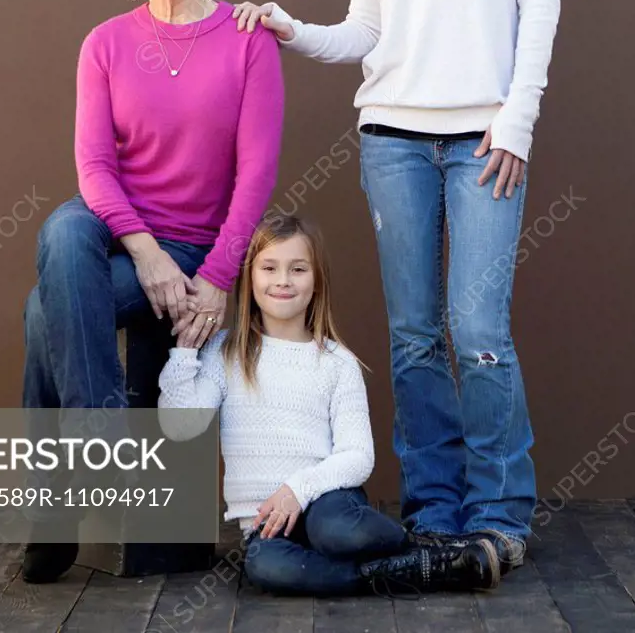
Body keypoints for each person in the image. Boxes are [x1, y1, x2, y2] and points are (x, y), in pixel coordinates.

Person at [232, 0, 561, 578]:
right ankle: (435, 511)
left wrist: (517, 116)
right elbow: (367, 28)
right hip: (393, 135)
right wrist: (292, 28)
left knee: (478, 329)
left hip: (486, 134)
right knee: (415, 335)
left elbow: (543, 6)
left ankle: (499, 513)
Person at [19, 0, 285, 583]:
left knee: (42, 307)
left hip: (195, 241)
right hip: (114, 231)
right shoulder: (105, 43)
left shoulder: (247, 38)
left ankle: (55, 503)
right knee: (65, 230)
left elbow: (256, 172)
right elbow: (94, 165)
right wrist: (143, 253)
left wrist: (217, 276)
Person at [158, 214, 502, 595]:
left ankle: (416, 548)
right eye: (269, 268)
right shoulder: (226, 352)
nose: (283, 280)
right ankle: (412, 569)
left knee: (336, 532)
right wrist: (184, 354)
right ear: (249, 278)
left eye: (298, 269)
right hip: (266, 525)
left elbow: (358, 456)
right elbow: (181, 429)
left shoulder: (338, 363)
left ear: (316, 280)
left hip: (326, 502)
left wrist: (296, 490)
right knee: (266, 568)